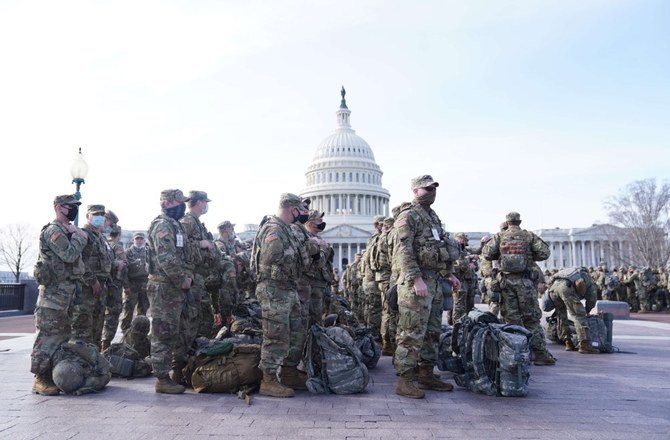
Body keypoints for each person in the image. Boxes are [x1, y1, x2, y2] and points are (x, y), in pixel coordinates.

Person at [393, 175, 457, 398]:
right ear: (415, 191)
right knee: (412, 332)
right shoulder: (408, 216)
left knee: (431, 332)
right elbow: (404, 250)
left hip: (434, 281)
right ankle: (405, 379)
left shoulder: (431, 217)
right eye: (426, 188)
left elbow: (438, 247)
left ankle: (426, 373)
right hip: (416, 283)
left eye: (433, 188)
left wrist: (449, 273)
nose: (431, 191)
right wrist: (416, 279)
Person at [250, 193, 307, 398]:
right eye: (299, 210)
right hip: (274, 288)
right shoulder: (274, 228)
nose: (300, 215)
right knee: (276, 334)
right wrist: (296, 254)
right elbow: (270, 256)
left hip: (286, 288)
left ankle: (289, 372)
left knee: (296, 332)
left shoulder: (286, 230)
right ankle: (269, 379)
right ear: (292, 209)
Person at [31, 194, 88, 395]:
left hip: (67, 294)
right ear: (58, 208)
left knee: (62, 337)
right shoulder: (54, 231)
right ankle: (39, 378)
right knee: (47, 336)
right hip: (53, 295)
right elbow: (69, 254)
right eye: (69, 206)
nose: (73, 209)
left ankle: (52, 375)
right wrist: (81, 237)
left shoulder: (67, 230)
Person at [482, 212, 556, 366]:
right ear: (519, 221)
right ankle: (540, 354)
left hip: (506, 282)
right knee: (532, 318)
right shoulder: (528, 236)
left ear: (507, 222)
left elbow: (487, 254)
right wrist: (528, 255)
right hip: (525, 282)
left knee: (511, 319)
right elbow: (544, 252)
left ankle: (516, 353)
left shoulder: (499, 236)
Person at [146, 189, 193, 394]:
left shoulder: (175, 225)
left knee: (173, 332)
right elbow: (166, 257)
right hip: (164, 286)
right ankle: (161, 378)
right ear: (166, 203)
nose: (182, 206)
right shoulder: (162, 224)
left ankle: (171, 374)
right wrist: (182, 279)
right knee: (163, 332)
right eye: (178, 203)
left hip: (173, 287)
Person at [72, 204, 114, 347]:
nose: (100, 218)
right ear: (87, 216)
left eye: (102, 215)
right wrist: (92, 281)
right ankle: (80, 363)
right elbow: (79, 261)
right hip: (87, 288)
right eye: (96, 215)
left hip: (101, 288)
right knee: (83, 327)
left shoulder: (101, 237)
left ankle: (94, 361)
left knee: (97, 326)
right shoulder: (84, 234)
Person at [180, 190, 220, 339]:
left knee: (201, 314)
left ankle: (195, 346)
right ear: (198, 203)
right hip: (192, 274)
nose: (206, 206)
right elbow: (180, 244)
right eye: (205, 202)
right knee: (192, 315)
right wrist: (200, 243)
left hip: (200, 275)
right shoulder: (188, 221)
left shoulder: (197, 222)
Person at [548, 268, 600, 353]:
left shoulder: (570, 273)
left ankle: (568, 342)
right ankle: (584, 344)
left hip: (553, 289)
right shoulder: (588, 278)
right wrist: (587, 311)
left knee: (561, 315)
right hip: (565, 288)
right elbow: (592, 299)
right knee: (579, 315)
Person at [304, 209, 334, 326]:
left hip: (321, 284)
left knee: (319, 316)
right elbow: (317, 262)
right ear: (310, 223)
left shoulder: (320, 240)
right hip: (311, 283)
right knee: (312, 318)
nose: (322, 223)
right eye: (319, 220)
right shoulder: (306, 239)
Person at [101, 222, 127, 351]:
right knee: (113, 314)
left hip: (103, 284)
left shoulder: (105, 244)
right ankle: (105, 344)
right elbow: (123, 268)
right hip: (114, 286)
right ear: (119, 235)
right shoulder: (117, 247)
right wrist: (126, 285)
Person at [120, 232, 150, 336]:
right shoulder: (127, 252)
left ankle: (140, 335)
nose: (139, 241)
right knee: (128, 310)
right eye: (137, 239)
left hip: (145, 284)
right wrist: (126, 286)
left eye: (141, 239)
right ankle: (125, 334)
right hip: (132, 283)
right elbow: (123, 271)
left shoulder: (148, 252)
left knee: (143, 311)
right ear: (133, 240)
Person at [451, 232, 477, 324]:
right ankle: (457, 327)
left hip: (467, 282)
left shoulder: (464, 251)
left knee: (467, 306)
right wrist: (470, 265)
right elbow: (464, 267)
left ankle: (463, 326)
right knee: (459, 307)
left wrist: (471, 263)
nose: (462, 242)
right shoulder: (456, 250)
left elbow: (475, 267)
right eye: (460, 239)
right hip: (459, 281)